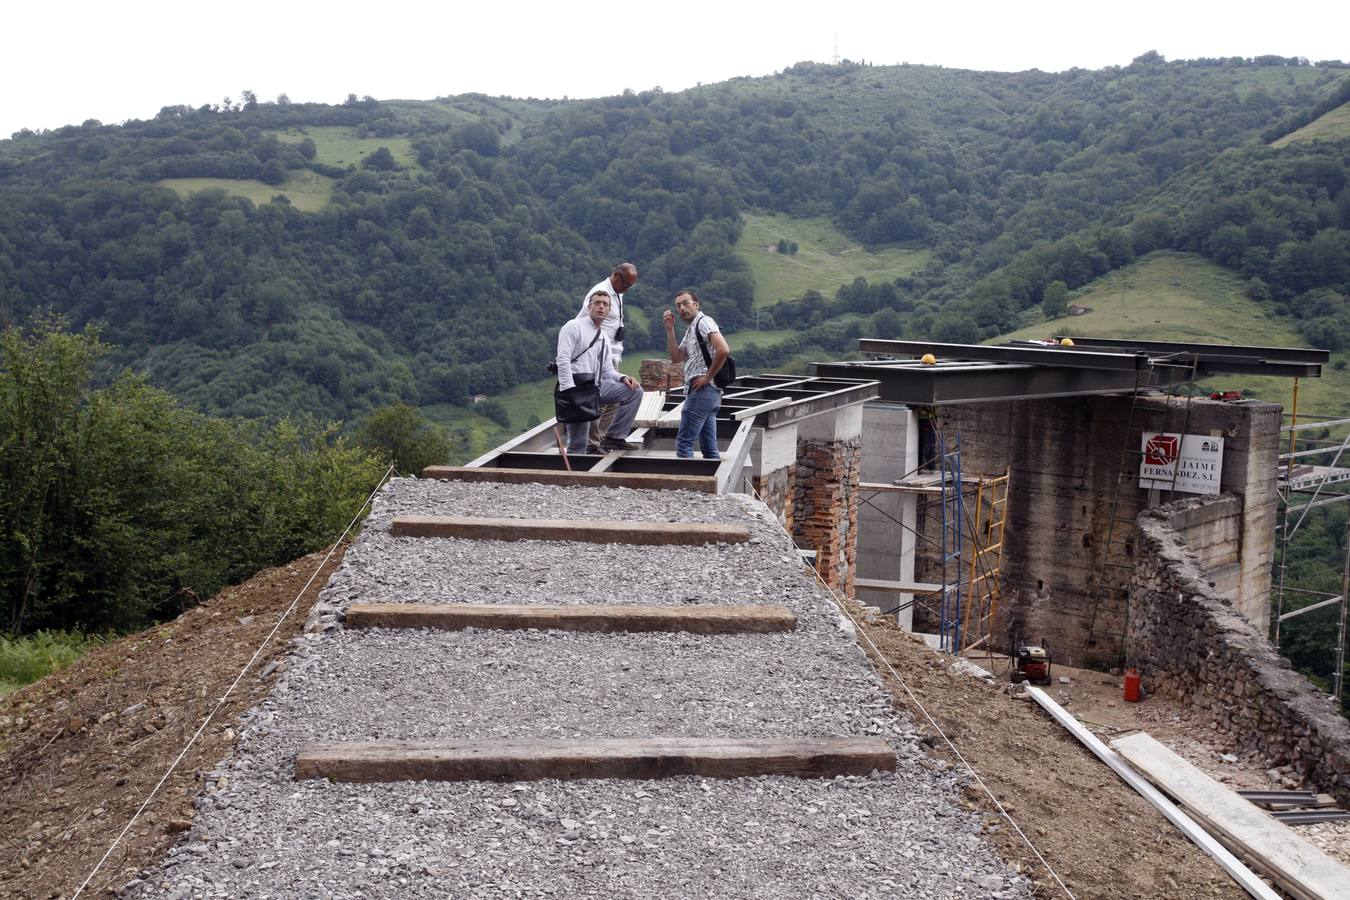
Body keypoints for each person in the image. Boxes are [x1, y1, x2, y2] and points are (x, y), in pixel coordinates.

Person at [556, 291, 643, 455]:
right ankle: (574, 476)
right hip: (577, 389)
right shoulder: (573, 327)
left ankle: (615, 437)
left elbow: (607, 370)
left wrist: (623, 378)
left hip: (595, 389)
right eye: (597, 303)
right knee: (578, 445)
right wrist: (570, 392)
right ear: (589, 307)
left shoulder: (603, 336)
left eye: (605, 304)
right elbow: (563, 359)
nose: (601, 307)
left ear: (609, 310)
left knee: (635, 391)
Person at [576, 263, 638, 452]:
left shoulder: (617, 293)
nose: (627, 290)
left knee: (613, 400)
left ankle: (605, 439)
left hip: (613, 355)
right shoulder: (600, 293)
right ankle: (592, 444)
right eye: (626, 285)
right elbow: (582, 322)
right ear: (617, 277)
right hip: (599, 356)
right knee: (597, 399)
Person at [662, 290, 730, 460]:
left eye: (686, 303)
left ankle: (685, 483)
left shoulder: (704, 322)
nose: (682, 308)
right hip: (710, 394)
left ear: (696, 305)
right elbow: (676, 357)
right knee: (710, 449)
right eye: (678, 306)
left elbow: (723, 349)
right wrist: (670, 330)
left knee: (684, 443)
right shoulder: (692, 328)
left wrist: (708, 377)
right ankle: (713, 483)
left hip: (703, 390)